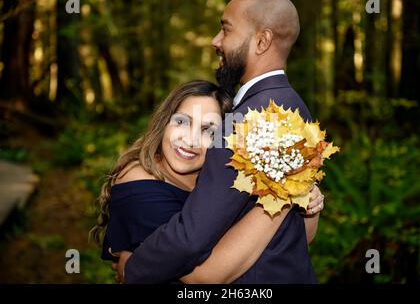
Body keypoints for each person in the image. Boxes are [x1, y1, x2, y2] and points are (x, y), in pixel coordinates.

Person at [114, 0, 323, 283]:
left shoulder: (244, 120)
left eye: (225, 29)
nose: (216, 41)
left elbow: (192, 238)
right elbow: (290, 235)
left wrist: (135, 270)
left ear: (262, 41)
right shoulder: (295, 107)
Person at [91, 80, 324, 283]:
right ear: (164, 123)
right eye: (182, 122)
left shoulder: (220, 180)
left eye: (208, 131)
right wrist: (284, 190)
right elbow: (204, 276)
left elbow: (302, 238)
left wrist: (306, 202)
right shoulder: (138, 184)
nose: (190, 140)